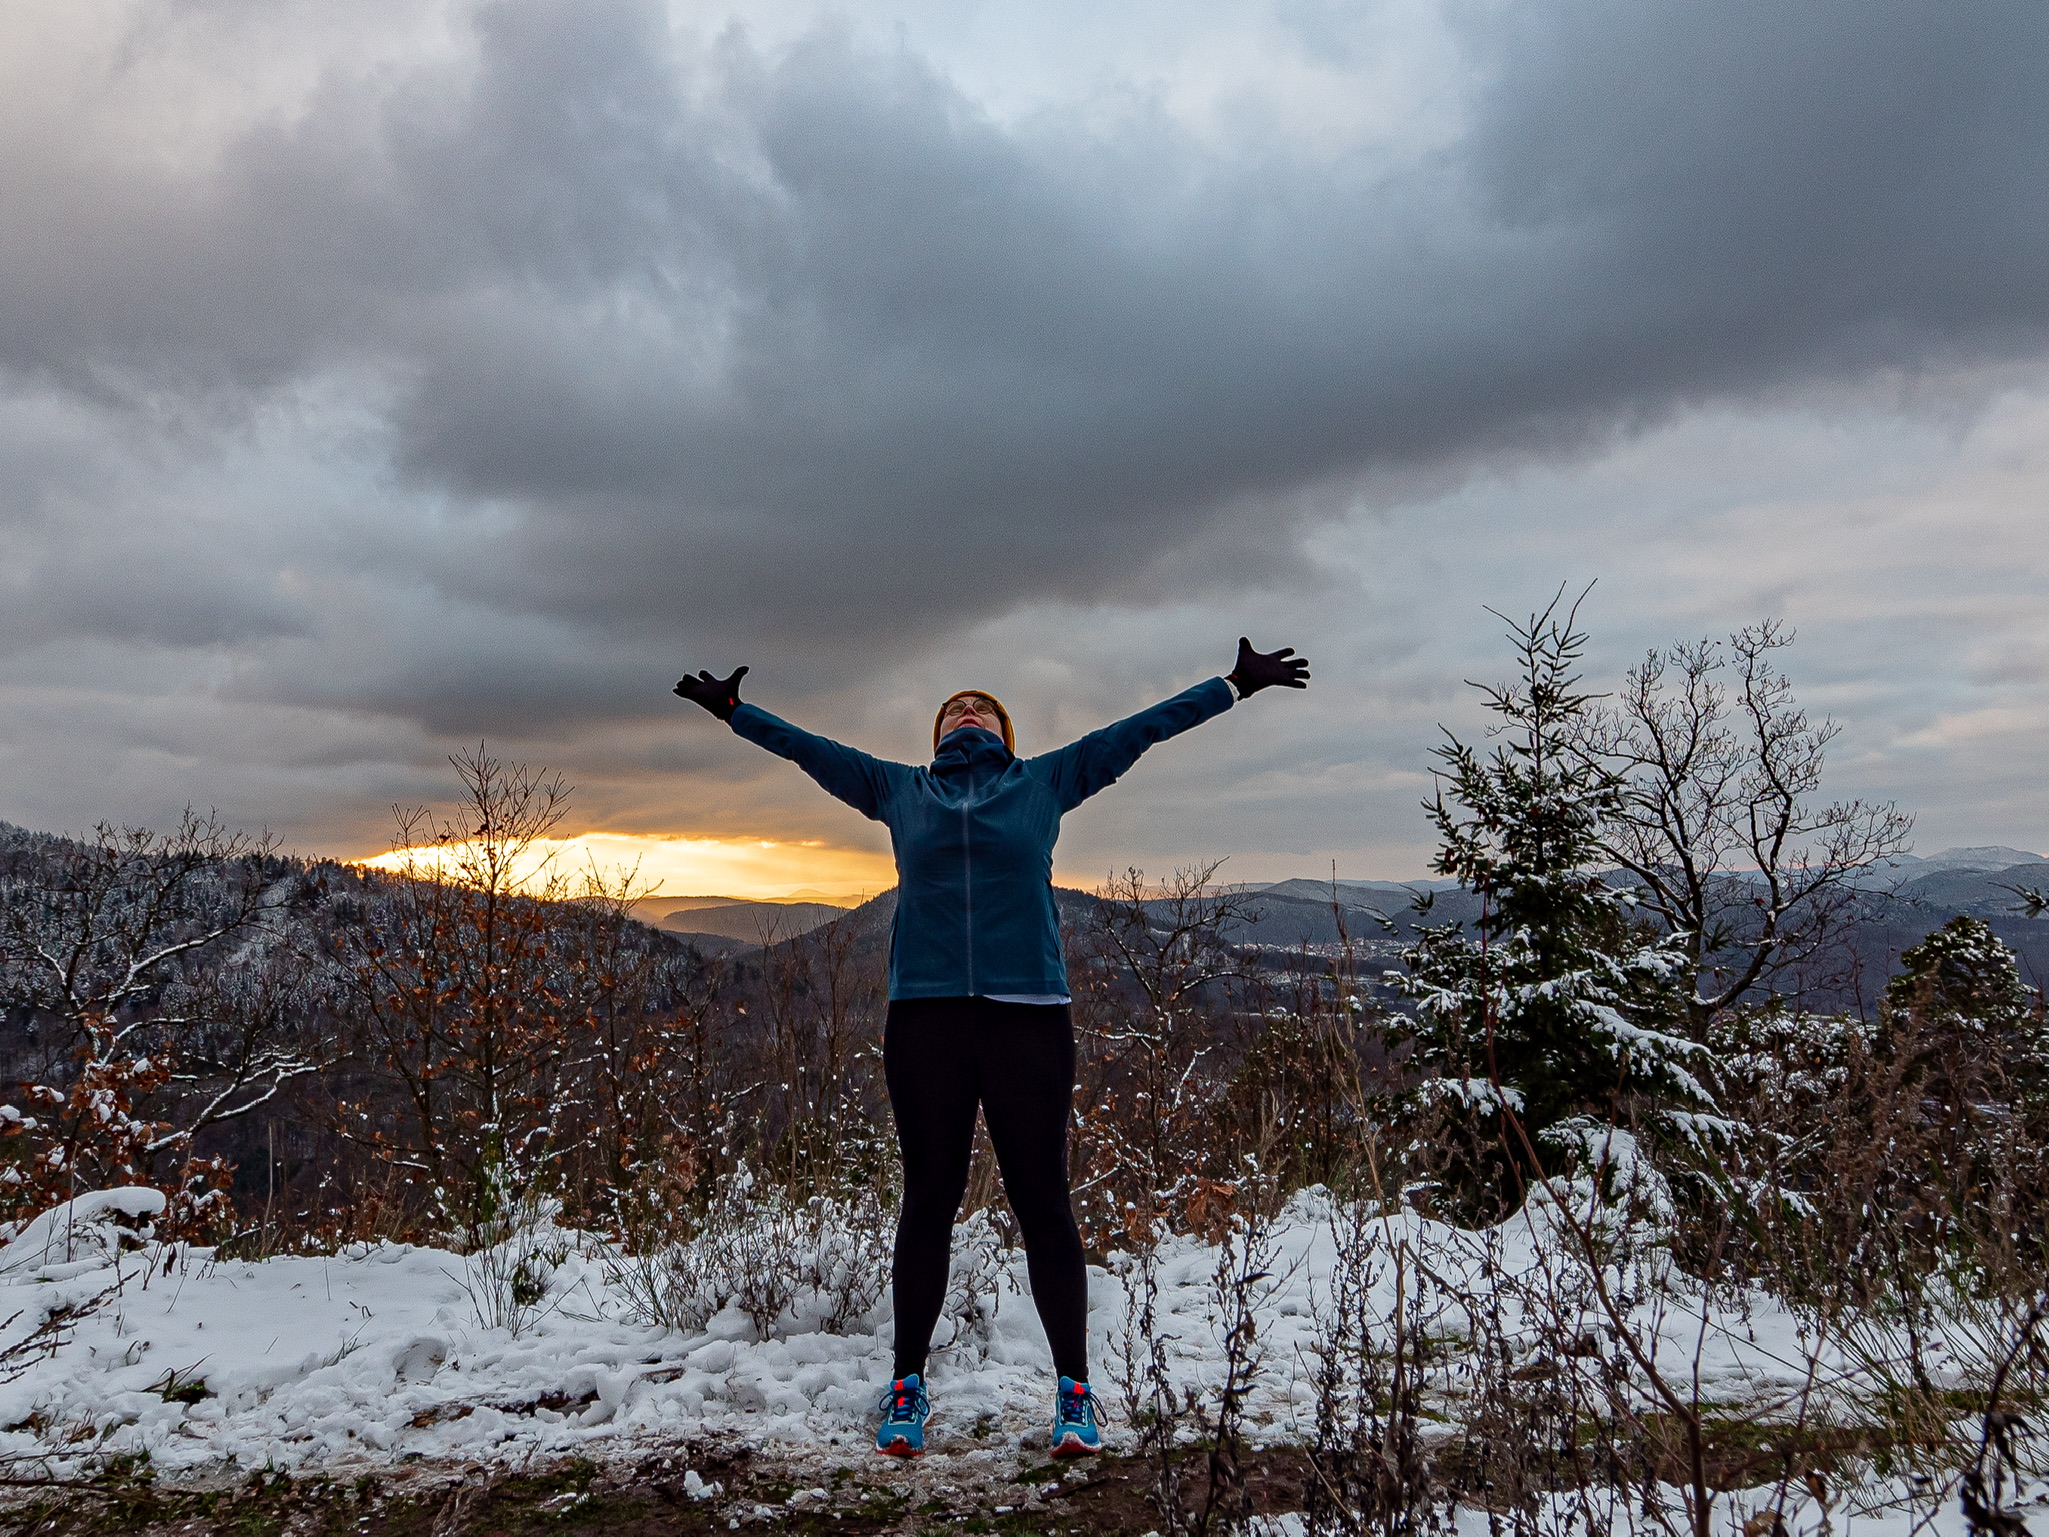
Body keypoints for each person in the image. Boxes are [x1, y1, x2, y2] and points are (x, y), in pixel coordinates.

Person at [672, 639, 1309, 1457]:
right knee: (927, 1202)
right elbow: (809, 751)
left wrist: (1231, 687)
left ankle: (1074, 1393)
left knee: (1043, 1203)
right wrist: (735, 714)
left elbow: (1141, 729)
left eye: (981, 708)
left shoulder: (1045, 781)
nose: (966, 711)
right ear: (936, 735)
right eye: (952, 709)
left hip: (1027, 1020)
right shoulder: (899, 789)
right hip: (926, 1021)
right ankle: (906, 1384)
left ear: (1005, 734)